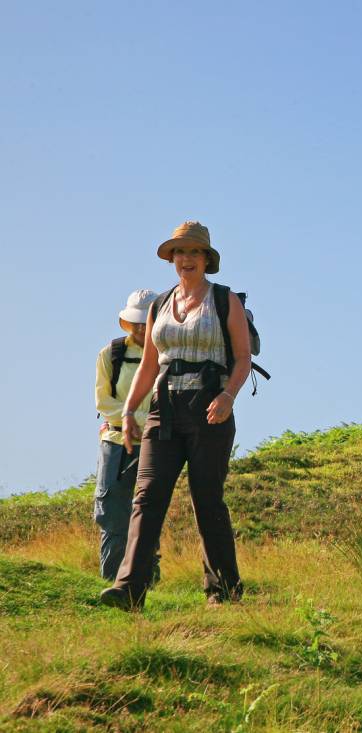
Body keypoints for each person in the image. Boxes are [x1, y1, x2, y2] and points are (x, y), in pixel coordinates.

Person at [99, 221, 251, 611]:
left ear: (206, 259)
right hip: (162, 409)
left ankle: (224, 591)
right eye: (179, 253)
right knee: (146, 498)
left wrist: (228, 396)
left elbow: (243, 358)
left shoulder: (224, 300)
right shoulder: (159, 305)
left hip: (210, 407)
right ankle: (129, 588)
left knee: (207, 499)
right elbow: (150, 364)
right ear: (172, 259)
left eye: (193, 253)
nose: (185, 259)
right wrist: (131, 410)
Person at [93, 289, 158, 580]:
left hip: (155, 444)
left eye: (148, 322)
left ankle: (147, 582)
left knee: (149, 514)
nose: (142, 328)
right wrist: (137, 419)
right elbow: (103, 403)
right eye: (137, 322)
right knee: (112, 514)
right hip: (116, 442)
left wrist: (140, 419)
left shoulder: (167, 357)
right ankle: (111, 580)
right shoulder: (111, 354)